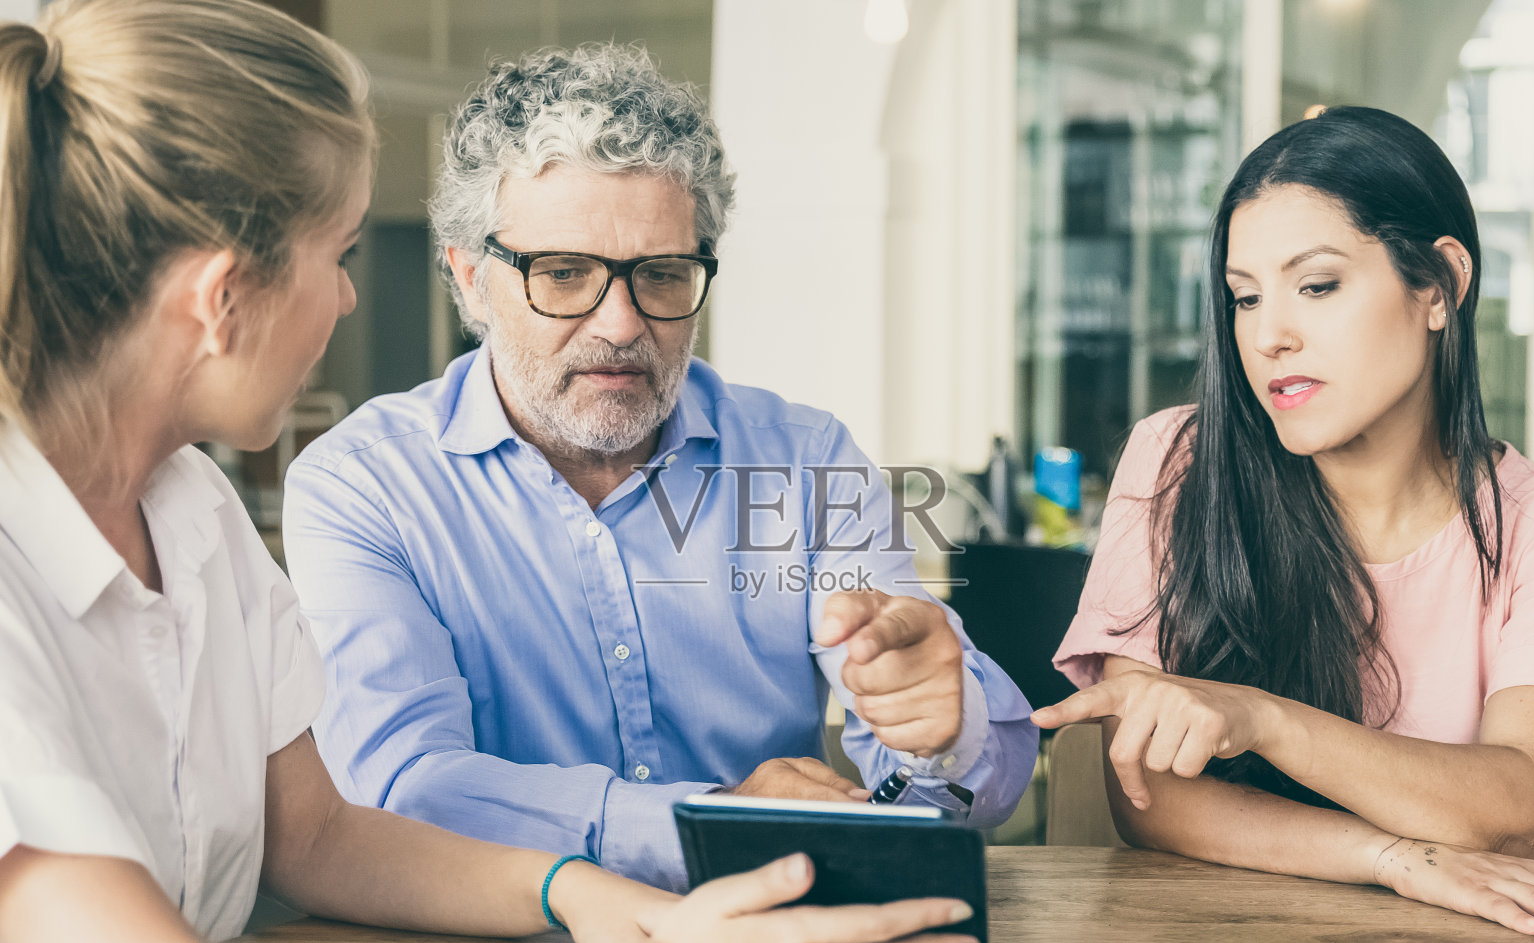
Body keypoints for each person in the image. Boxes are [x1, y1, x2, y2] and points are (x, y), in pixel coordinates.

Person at [0, 3, 982, 943]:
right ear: (219, 297)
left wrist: (584, 890)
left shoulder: (192, 508)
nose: (344, 298)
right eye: (336, 255)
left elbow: (320, 833)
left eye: (657, 274)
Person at [281, 43, 1037, 891]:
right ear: (470, 280)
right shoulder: (365, 487)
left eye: (662, 275)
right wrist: (713, 819)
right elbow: (401, 791)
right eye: (563, 274)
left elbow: (964, 797)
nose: (621, 323)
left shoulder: (806, 460)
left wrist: (939, 734)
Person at [1036, 106, 1534, 936]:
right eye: (1244, 297)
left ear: (1440, 285)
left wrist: (1261, 718)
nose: (1269, 336)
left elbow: (1519, 810)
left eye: (1317, 285)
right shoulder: (1177, 462)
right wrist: (1392, 857)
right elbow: (1148, 794)